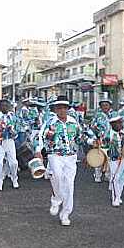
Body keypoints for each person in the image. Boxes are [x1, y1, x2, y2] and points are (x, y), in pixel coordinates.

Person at [35, 95, 84, 226]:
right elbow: (39, 137)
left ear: (68, 109)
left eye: (64, 108)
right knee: (56, 175)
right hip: (54, 155)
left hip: (71, 157)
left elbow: (80, 137)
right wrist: (38, 151)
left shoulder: (74, 122)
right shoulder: (50, 122)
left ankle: (65, 214)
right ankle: (56, 199)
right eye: (59, 108)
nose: (62, 110)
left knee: (69, 185)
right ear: (55, 109)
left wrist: (92, 142)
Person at [0, 98, 19, 191]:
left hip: (10, 141)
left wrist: (13, 132)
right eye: (3, 106)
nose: (5, 107)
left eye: (7, 106)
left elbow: (18, 128)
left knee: (14, 163)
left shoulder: (12, 116)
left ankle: (14, 179)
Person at [105, 114, 124, 207]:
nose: (120, 124)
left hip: (123, 159)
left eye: (121, 122)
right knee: (115, 178)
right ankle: (115, 198)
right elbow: (104, 146)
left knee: (122, 178)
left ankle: (118, 196)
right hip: (114, 159)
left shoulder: (123, 133)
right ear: (113, 124)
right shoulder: (109, 135)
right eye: (118, 123)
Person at [89, 98, 116, 183]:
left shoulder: (114, 114)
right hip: (101, 140)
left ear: (110, 106)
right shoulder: (98, 115)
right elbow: (92, 126)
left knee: (110, 158)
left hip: (112, 140)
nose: (105, 107)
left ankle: (107, 175)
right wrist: (95, 137)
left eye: (106, 105)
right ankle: (98, 175)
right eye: (103, 105)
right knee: (99, 158)